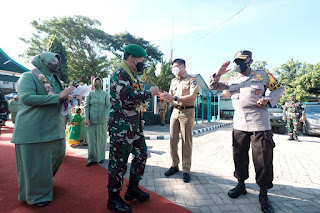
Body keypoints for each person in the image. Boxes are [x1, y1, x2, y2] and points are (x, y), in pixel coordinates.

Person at [209, 50, 284, 213]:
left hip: (260, 125)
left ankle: (263, 193)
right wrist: (218, 74)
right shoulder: (231, 78)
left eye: (242, 61)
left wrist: (269, 100)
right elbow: (213, 87)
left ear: (250, 61)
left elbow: (280, 89)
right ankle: (241, 185)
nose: (238, 64)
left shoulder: (263, 75)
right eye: (236, 61)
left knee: (263, 161)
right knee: (239, 157)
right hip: (240, 125)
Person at [11, 52, 75, 207]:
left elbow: (60, 98)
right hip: (33, 128)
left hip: (55, 127)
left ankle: (42, 183)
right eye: (53, 60)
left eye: (57, 60)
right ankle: (37, 195)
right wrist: (58, 97)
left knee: (59, 152)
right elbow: (26, 98)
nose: (56, 63)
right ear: (43, 61)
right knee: (36, 163)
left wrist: (70, 99)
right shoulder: (28, 76)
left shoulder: (57, 80)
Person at [107, 44, 159, 213]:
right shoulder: (120, 73)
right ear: (131, 58)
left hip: (133, 124)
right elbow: (127, 97)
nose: (142, 64)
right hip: (121, 125)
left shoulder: (130, 75)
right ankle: (113, 199)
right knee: (118, 162)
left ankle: (132, 189)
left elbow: (133, 98)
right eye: (141, 60)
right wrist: (150, 92)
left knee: (141, 154)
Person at [159, 58, 199, 183]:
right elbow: (171, 98)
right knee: (173, 140)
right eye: (173, 67)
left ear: (182, 66)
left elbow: (193, 96)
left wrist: (174, 97)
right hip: (175, 111)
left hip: (187, 111)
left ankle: (186, 170)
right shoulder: (173, 81)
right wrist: (165, 97)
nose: (174, 69)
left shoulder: (192, 79)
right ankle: (174, 165)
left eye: (175, 66)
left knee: (186, 141)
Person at [84, 78, 110, 166]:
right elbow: (86, 106)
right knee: (91, 140)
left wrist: (108, 116)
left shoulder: (105, 94)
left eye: (99, 82)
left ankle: (100, 157)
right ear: (93, 83)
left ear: (101, 83)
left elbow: (108, 106)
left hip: (102, 120)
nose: (98, 84)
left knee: (101, 140)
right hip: (91, 121)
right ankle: (91, 158)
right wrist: (86, 118)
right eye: (96, 82)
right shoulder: (90, 93)